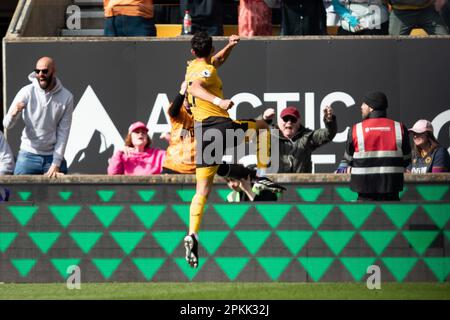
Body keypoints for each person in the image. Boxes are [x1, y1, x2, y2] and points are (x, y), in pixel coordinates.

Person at [183, 31, 285, 269]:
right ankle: (260, 177)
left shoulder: (196, 65)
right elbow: (196, 85)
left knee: (202, 192)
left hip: (204, 136)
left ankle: (193, 234)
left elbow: (213, 64)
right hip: (220, 127)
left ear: (193, 52)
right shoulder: (200, 73)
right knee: (262, 127)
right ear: (209, 49)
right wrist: (219, 102)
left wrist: (229, 47)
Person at [3, 57, 74, 177]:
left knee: (62, 192)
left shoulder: (67, 97)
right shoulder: (26, 92)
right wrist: (13, 115)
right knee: (18, 194)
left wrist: (56, 163)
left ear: (53, 71)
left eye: (45, 71)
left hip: (52, 157)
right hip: (28, 155)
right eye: (37, 71)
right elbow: (7, 125)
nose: (41, 74)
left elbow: (64, 133)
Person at [336, 91, 411, 201]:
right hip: (392, 197)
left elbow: (346, 161)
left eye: (364, 104)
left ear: (371, 108)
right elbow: (407, 161)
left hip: (364, 197)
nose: (361, 107)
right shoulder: (400, 128)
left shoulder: (356, 130)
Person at [264, 105, 337, 173]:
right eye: (285, 119)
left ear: (298, 123)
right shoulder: (270, 135)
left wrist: (329, 121)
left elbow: (328, 134)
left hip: (300, 184)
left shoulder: (307, 136)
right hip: (275, 184)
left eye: (293, 119)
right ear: (279, 121)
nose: (289, 122)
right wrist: (264, 119)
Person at [162, 81, 196, 174]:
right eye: (186, 95)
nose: (188, 98)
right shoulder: (179, 111)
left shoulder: (203, 112)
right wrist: (182, 90)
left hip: (196, 169)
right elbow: (172, 111)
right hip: (174, 166)